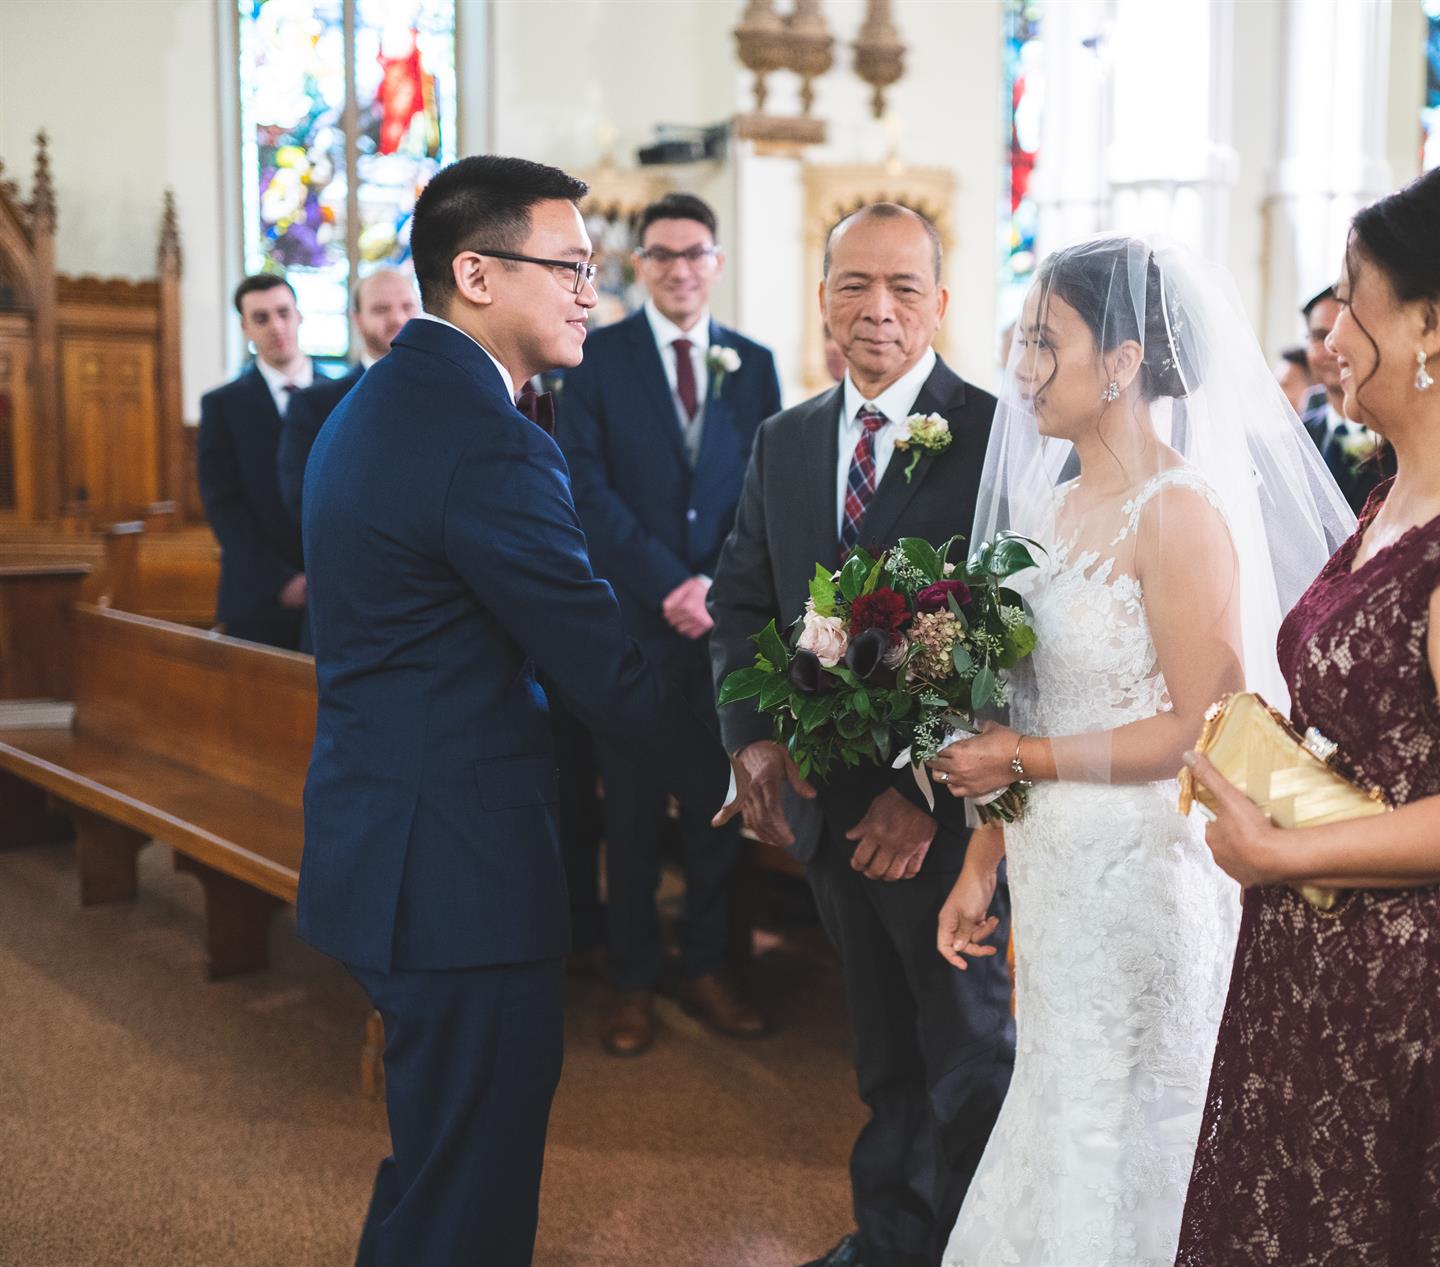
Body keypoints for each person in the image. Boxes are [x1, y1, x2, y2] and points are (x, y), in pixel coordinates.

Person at [1174, 153, 1440, 1266]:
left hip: (1420, 980)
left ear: (1429, 325)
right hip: (1328, 944)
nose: (1331, 338)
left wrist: (1282, 851)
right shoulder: (1399, 488)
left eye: (1352, 305)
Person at [926, 236, 1354, 1265]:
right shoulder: (1047, 507)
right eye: (1021, 339)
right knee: (1060, 1095)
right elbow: (1025, 702)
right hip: (1055, 864)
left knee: (1130, 1116)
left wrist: (1020, 761)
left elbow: (1200, 727)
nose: (1022, 366)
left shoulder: (1178, 514)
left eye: (1045, 342)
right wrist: (981, 860)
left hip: (1139, 875)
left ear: (1121, 362)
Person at [297, 155, 665, 1267]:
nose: (590, 292)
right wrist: (753, 761)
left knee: (436, 1166)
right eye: (570, 266)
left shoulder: (374, 405)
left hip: (387, 843)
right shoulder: (489, 438)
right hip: (458, 878)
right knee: (471, 1193)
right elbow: (599, 662)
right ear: (476, 274)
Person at [707, 203, 1014, 1267]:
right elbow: (742, 600)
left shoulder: (995, 438)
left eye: (903, 287)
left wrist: (923, 793)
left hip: (946, 823)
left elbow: (1013, 642)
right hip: (828, 814)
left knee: (966, 1054)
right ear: (822, 297)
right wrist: (752, 740)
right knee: (880, 1058)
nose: (877, 309)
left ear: (941, 302)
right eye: (854, 285)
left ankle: (973, 1249)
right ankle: (890, 1243)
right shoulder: (785, 439)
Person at [559, 191, 780, 1054]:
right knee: (632, 812)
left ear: (715, 264)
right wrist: (669, 585)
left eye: (695, 254)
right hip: (637, 626)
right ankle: (631, 977)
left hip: (725, 627)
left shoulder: (752, 364)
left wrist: (717, 589)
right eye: (662, 254)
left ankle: (707, 966)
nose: (680, 269)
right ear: (640, 264)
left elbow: (766, 489)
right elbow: (585, 489)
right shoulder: (597, 358)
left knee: (718, 805)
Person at [198, 273, 314, 649]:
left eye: (283, 313)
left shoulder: (345, 393)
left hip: (335, 589)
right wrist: (280, 580)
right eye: (261, 318)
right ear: (245, 327)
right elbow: (224, 505)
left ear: (299, 316)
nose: (276, 327)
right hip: (258, 595)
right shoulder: (222, 405)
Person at [277, 268, 420, 524]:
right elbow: (303, 498)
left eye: (407, 307)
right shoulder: (314, 405)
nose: (398, 318)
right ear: (357, 319)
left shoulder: (452, 394)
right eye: (381, 309)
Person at [1297, 285, 1386, 513]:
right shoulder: (1296, 438)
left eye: (1346, 332)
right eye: (1320, 336)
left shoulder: (1397, 437)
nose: (1332, 349)